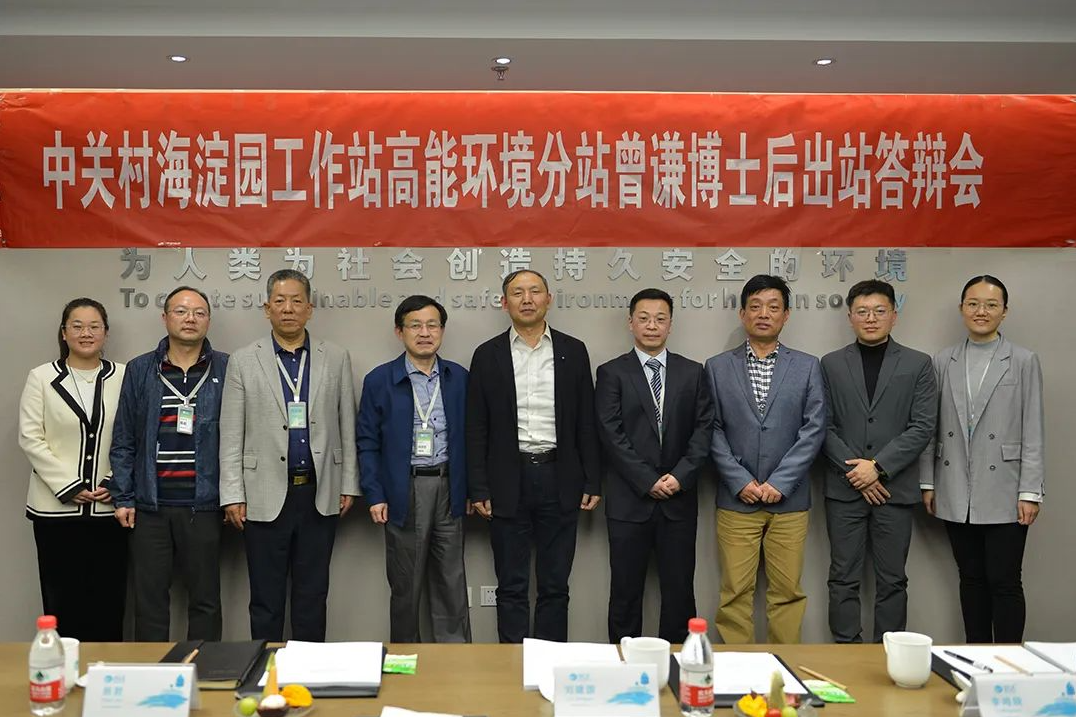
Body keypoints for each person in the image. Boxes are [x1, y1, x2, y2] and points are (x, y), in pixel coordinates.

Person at [219, 269, 359, 642]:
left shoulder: (335, 357)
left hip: (318, 492)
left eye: (297, 301)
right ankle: (264, 667)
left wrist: (348, 483)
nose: (288, 308)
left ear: (309, 308)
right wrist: (232, 493)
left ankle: (308, 668)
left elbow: (347, 424)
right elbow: (230, 434)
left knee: (312, 595)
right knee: (265, 598)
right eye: (280, 301)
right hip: (261, 494)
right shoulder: (244, 360)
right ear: (267, 309)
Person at [466, 269, 602, 643]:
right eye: (517, 293)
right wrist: (478, 487)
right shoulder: (487, 354)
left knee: (555, 585)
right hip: (507, 479)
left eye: (535, 291)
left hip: (560, 476)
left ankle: (549, 660)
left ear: (548, 299)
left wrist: (592, 479)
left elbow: (586, 420)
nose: (527, 299)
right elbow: (476, 426)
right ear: (504, 302)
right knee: (511, 584)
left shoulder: (573, 350)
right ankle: (511, 664)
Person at [920, 275, 1044, 643]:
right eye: (973, 303)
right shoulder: (943, 360)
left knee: (1005, 581)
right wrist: (928, 481)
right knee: (970, 578)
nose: (981, 311)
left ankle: (1008, 660)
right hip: (955, 484)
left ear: (1004, 312)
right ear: (962, 309)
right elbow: (930, 426)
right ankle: (975, 657)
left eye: (991, 305)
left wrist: (1030, 491)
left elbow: (1033, 428)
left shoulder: (1023, 360)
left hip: (1006, 487)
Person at [704, 274, 825, 644]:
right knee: (734, 594)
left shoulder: (807, 366)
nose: (763, 314)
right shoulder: (716, 366)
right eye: (755, 306)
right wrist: (740, 480)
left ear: (786, 315)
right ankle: (737, 668)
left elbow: (814, 428)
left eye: (773, 307)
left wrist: (780, 482)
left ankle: (781, 667)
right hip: (736, 500)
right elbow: (711, 428)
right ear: (742, 313)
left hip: (789, 502)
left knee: (787, 593)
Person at [109, 286, 229, 641]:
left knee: (206, 600)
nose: (190, 318)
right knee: (149, 602)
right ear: (165, 318)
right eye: (181, 311)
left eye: (199, 312)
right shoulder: (141, 369)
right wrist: (124, 497)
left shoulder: (227, 368)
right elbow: (124, 437)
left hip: (204, 504)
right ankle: (153, 671)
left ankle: (203, 667)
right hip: (150, 506)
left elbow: (241, 437)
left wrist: (234, 496)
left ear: (208, 320)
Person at [820, 279, 936, 644]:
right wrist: (858, 472)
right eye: (862, 311)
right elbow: (822, 425)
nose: (871, 318)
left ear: (894, 316)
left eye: (879, 311)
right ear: (850, 317)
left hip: (894, 491)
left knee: (893, 580)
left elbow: (923, 426)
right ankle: (845, 652)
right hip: (845, 490)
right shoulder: (830, 364)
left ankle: (888, 654)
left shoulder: (918, 363)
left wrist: (878, 468)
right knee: (842, 578)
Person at [595, 288, 714, 644]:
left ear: (670, 324)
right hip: (629, 502)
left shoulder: (692, 372)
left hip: (678, 501)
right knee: (625, 594)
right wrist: (648, 480)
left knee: (680, 594)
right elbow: (610, 433)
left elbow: (704, 430)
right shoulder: (611, 372)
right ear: (630, 322)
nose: (651, 326)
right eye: (644, 318)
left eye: (660, 319)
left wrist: (679, 477)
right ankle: (624, 663)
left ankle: (677, 664)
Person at [357, 295, 472, 643]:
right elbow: (367, 442)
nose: (425, 333)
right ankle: (405, 660)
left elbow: (475, 437)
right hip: (403, 489)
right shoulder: (380, 380)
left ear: (442, 331)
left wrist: (471, 489)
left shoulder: (459, 377)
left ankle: (455, 660)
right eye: (415, 325)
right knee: (406, 585)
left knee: (452, 580)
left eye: (432, 325)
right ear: (400, 332)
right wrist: (375, 494)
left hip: (449, 486)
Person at [18, 298, 127, 641]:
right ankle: (64, 666)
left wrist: (116, 480)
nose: (86, 333)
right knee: (62, 601)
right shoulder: (41, 377)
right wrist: (69, 484)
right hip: (55, 511)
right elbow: (31, 437)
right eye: (77, 326)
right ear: (64, 333)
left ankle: (103, 669)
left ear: (105, 333)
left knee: (109, 601)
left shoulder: (124, 376)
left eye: (94, 326)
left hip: (109, 509)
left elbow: (135, 435)